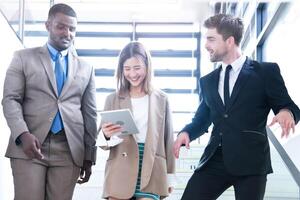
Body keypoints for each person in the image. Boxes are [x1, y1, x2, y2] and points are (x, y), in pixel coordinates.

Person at [173, 13, 300, 200]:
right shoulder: (208, 81)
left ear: (230, 41)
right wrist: (187, 133)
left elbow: (288, 105)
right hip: (215, 159)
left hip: (252, 162)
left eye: (211, 39)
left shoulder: (265, 72)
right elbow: (202, 118)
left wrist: (286, 112)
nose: (206, 45)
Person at [2, 3, 98, 200]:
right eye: (61, 26)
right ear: (48, 25)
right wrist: (22, 133)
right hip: (30, 146)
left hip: (69, 149)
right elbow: (10, 99)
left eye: (72, 29)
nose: (67, 33)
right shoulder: (22, 58)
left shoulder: (86, 68)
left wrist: (90, 155)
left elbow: (90, 114)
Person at [98, 41, 175, 200]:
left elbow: (168, 140)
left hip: (152, 169)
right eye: (127, 69)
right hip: (120, 169)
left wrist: (170, 176)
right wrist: (106, 135)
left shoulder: (161, 99)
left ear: (147, 66)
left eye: (137, 68)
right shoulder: (112, 99)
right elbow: (102, 142)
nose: (132, 74)